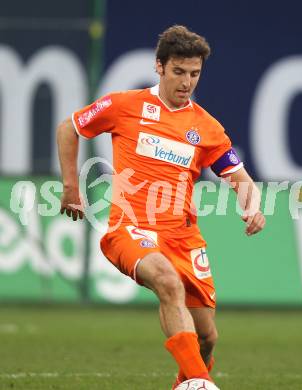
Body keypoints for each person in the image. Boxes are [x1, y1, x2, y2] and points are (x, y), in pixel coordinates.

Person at [57, 25, 265, 389]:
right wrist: (71, 187)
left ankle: (189, 381)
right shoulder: (125, 105)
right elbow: (69, 127)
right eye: (179, 72)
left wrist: (252, 207)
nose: (187, 82)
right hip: (131, 228)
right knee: (168, 283)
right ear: (159, 67)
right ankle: (201, 383)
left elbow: (239, 177)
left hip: (183, 237)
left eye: (194, 74)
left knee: (207, 338)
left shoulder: (206, 127)